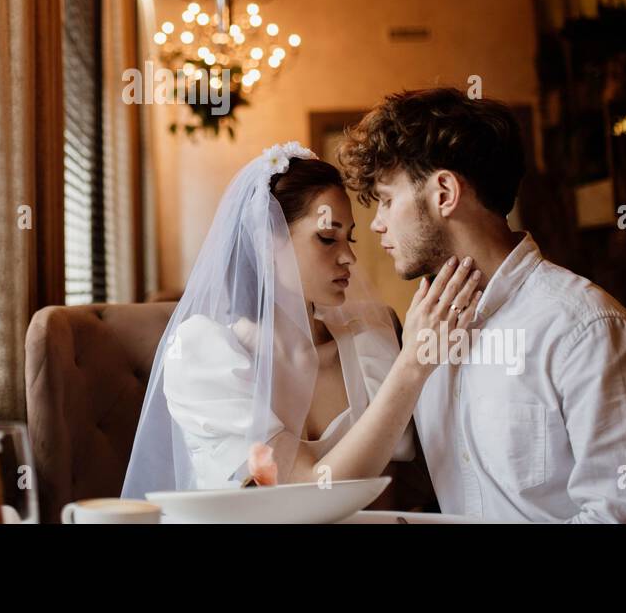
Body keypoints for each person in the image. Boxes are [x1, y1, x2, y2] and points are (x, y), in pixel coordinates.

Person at [339, 87, 626, 522]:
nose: (376, 223)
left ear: (444, 192)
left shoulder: (585, 330)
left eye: (389, 200)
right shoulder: (426, 332)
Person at [121, 141, 481, 498]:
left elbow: (404, 484)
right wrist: (412, 366)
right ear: (265, 243)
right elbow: (304, 487)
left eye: (349, 238)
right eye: (327, 238)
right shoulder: (203, 356)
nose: (349, 258)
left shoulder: (369, 336)